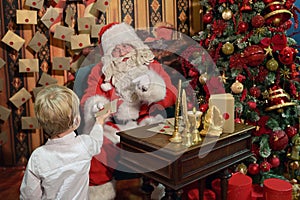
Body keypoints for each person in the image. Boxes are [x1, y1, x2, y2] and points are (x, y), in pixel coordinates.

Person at [79, 22, 177, 199]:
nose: (123, 53)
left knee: (163, 144)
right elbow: (88, 97)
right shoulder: (100, 72)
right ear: (109, 54)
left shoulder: (151, 65)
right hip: (115, 128)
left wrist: (152, 88)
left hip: (148, 123)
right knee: (96, 146)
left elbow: (171, 95)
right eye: (116, 49)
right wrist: (96, 106)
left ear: (135, 46)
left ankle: (160, 187)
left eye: (126, 46)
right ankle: (100, 192)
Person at [19, 84, 111, 200]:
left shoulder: (38, 157)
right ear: (76, 120)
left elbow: (29, 196)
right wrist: (99, 121)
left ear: (41, 123)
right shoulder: (85, 145)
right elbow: (96, 141)